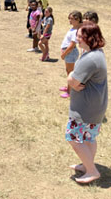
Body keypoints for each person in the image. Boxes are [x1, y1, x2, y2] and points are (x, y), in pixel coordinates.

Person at [66, 21, 107, 184]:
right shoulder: (97, 53)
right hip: (95, 107)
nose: (77, 39)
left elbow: (73, 81)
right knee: (89, 138)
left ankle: (91, 171)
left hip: (86, 109)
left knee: (73, 137)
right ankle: (87, 164)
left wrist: (70, 77)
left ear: (90, 38)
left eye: (80, 36)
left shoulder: (89, 58)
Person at [60, 11, 82, 98]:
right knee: (68, 71)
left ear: (78, 19)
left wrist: (64, 54)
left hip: (70, 53)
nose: (70, 20)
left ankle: (70, 91)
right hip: (69, 53)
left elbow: (72, 45)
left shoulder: (76, 31)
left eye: (72, 18)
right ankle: (68, 87)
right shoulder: (73, 28)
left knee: (70, 73)